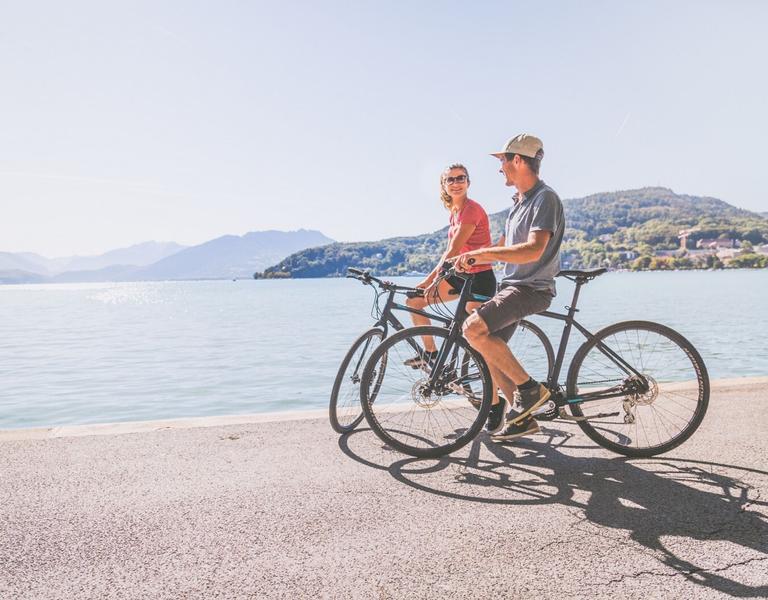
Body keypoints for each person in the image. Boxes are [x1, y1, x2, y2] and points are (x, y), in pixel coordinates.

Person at [454, 134, 565, 440]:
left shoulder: (545, 199)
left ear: (518, 160)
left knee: (472, 329)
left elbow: (533, 250)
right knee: (485, 346)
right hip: (512, 286)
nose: (500, 167)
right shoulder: (519, 203)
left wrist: (482, 254)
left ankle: (530, 390)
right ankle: (523, 416)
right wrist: (470, 260)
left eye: (502, 160)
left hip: (531, 288)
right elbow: (505, 248)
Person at [404, 164, 497, 374]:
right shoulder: (455, 212)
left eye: (460, 178)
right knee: (414, 302)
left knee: (478, 341)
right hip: (459, 276)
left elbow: (453, 250)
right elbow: (448, 252)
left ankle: (497, 384)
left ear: (468, 183)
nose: (456, 183)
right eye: (450, 180)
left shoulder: (472, 210)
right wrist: (428, 282)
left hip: (479, 278)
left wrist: (431, 282)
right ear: (444, 186)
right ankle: (431, 354)